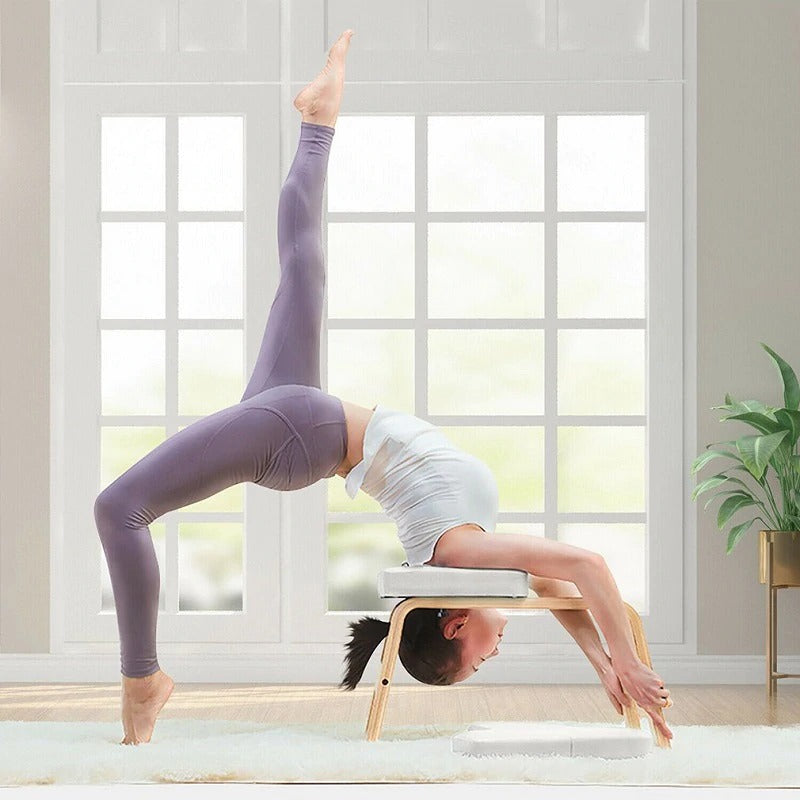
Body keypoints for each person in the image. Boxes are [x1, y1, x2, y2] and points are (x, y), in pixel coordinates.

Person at [94, 27, 672, 746]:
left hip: (304, 433)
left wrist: (621, 656)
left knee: (119, 507)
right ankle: (318, 120)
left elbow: (586, 567)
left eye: (476, 661)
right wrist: (608, 665)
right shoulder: (474, 555)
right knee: (303, 266)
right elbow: (566, 589)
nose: (495, 654)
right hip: (307, 429)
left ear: (455, 625)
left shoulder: (459, 558)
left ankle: (142, 679)